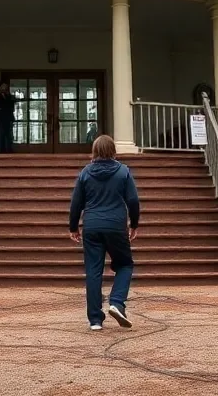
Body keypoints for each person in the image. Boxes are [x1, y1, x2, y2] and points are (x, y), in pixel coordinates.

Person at [68, 133, 140, 331]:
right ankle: (117, 302)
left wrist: (73, 227)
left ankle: (95, 320)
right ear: (113, 151)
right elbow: (133, 201)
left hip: (91, 225)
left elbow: (76, 203)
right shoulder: (123, 171)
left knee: (93, 270)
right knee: (125, 264)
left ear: (95, 151)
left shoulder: (85, 173)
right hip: (116, 225)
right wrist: (134, 224)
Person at [0, 82, 15, 153]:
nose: (4, 88)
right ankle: (1, 151)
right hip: (0, 118)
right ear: (0, 87)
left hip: (8, 118)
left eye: (5, 86)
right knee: (1, 135)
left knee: (9, 135)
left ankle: (9, 150)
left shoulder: (9, 96)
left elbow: (12, 107)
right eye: (2, 86)